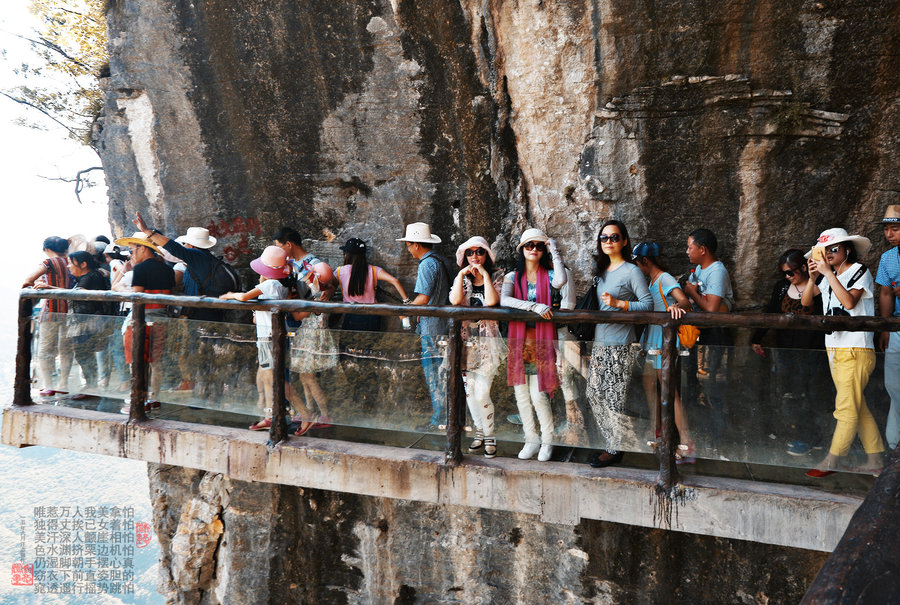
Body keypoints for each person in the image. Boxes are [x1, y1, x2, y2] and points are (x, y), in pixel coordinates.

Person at [802, 228, 884, 477]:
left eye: (833, 249)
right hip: (835, 347)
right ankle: (875, 461)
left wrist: (828, 273)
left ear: (847, 249)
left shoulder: (860, 271)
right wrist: (812, 278)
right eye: (824, 251)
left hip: (856, 347)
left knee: (847, 407)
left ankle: (832, 459)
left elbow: (849, 303)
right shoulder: (828, 277)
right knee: (857, 407)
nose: (828, 255)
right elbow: (806, 302)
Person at [221, 246, 316, 435]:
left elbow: (244, 297)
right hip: (273, 336)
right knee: (273, 378)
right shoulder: (280, 286)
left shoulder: (268, 286)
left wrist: (230, 295)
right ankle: (273, 416)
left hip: (268, 338)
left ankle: (305, 414)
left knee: (278, 381)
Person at [585, 221, 653, 468]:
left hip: (621, 343)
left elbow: (648, 305)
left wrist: (620, 304)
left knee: (613, 397)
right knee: (593, 393)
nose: (608, 241)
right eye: (604, 238)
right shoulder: (601, 271)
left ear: (624, 241)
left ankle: (614, 449)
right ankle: (614, 441)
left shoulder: (631, 271)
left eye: (614, 237)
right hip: (601, 341)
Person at [500, 228, 567, 461]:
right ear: (522, 250)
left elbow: (561, 281)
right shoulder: (512, 277)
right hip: (520, 342)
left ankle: (547, 440)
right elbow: (504, 300)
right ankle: (531, 439)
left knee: (539, 395)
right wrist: (535, 307)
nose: (534, 249)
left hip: (542, 342)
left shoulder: (548, 275)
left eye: (539, 246)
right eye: (529, 246)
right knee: (521, 394)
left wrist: (554, 249)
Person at [750, 249, 825, 456]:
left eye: (791, 272)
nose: (788, 277)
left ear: (803, 267)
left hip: (812, 351)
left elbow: (824, 316)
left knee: (809, 394)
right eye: (784, 273)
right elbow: (771, 312)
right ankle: (804, 435)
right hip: (786, 350)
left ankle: (811, 437)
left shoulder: (820, 287)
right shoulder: (782, 287)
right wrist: (757, 338)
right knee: (790, 393)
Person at [632, 241, 695, 463]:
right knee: (650, 383)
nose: (637, 268)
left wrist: (677, 307)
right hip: (654, 341)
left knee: (670, 392)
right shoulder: (652, 282)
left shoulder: (664, 279)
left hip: (664, 343)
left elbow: (685, 302)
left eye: (637, 263)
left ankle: (686, 443)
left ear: (645, 261)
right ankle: (656, 430)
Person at [449, 236, 506, 458]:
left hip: (488, 345)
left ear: (486, 255)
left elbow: (493, 301)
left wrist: (483, 276)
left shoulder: (497, 275)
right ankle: (480, 433)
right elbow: (455, 301)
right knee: (470, 393)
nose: (475, 257)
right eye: (470, 253)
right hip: (465, 346)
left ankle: (490, 435)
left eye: (479, 252)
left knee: (482, 392)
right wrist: (461, 275)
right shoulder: (462, 278)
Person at [274, 226, 338, 426]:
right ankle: (309, 411)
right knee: (301, 374)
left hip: (307, 323)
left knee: (306, 375)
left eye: (279, 246)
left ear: (289, 245)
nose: (278, 250)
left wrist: (330, 291)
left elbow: (332, 282)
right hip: (299, 323)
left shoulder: (314, 264)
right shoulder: (288, 263)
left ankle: (321, 415)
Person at [397, 222, 451, 432]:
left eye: (409, 245)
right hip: (442, 325)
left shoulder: (426, 265)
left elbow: (424, 297)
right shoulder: (440, 260)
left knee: (434, 376)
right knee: (442, 374)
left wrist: (406, 309)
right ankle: (446, 417)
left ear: (417, 245)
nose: (408, 249)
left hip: (431, 328)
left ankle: (439, 419)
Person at [114, 231, 176, 412]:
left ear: (143, 248)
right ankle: (155, 398)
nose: (132, 255)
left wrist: (119, 288)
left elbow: (137, 297)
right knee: (156, 362)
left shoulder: (140, 269)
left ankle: (138, 400)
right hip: (162, 321)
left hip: (141, 322)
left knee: (137, 362)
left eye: (133, 250)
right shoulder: (167, 270)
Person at [683, 228, 734, 442]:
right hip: (699, 336)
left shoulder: (717, 271)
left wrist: (692, 291)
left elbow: (712, 310)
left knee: (714, 386)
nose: (687, 251)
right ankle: (701, 434)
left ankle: (719, 438)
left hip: (716, 336)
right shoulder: (698, 270)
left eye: (690, 247)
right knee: (695, 384)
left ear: (702, 249)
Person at [23, 236, 73, 396]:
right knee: (65, 349)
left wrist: (35, 285)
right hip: (69, 312)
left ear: (47, 249)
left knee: (45, 350)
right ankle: (63, 383)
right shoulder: (71, 262)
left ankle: (49, 385)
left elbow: (28, 280)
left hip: (51, 311)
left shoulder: (48, 262)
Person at [335, 237, 409, 331]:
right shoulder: (374, 270)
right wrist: (406, 301)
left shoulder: (340, 271)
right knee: (371, 343)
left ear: (347, 255)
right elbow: (395, 281)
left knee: (349, 343)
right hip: (372, 314)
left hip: (351, 313)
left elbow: (330, 284)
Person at [65, 251, 112, 397]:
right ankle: (91, 385)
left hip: (88, 324)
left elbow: (80, 294)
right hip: (90, 323)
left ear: (83, 264)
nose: (68, 266)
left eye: (71, 263)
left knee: (84, 354)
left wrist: (50, 289)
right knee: (84, 354)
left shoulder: (89, 277)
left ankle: (91, 386)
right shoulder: (95, 275)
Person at [876, 205, 900, 451]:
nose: (889, 234)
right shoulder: (888, 257)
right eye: (887, 229)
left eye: (895, 228)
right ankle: (894, 446)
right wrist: (884, 328)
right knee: (894, 387)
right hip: (896, 328)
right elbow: (884, 293)